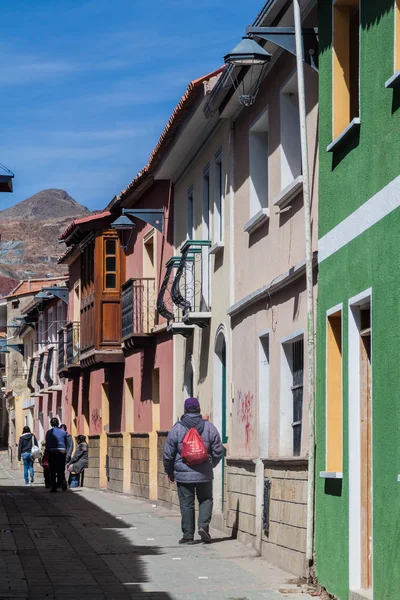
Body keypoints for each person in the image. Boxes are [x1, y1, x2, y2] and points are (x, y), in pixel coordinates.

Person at [163, 397, 224, 545]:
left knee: (187, 504)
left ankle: (188, 536)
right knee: (205, 499)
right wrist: (210, 464)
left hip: (183, 474)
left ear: (184, 410)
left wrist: (170, 471)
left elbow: (168, 453)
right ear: (198, 410)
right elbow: (218, 450)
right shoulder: (209, 427)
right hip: (204, 472)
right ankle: (203, 525)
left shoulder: (177, 428)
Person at [45, 417, 68, 492]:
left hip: (52, 452)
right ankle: (63, 481)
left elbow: (47, 444)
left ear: (51, 424)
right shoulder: (63, 432)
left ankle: (54, 487)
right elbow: (66, 442)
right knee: (61, 469)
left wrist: (46, 453)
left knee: (53, 470)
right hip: (62, 452)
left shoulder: (49, 432)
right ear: (58, 423)